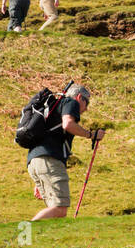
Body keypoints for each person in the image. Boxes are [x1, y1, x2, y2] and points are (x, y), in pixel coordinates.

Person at [26, 83, 105, 220]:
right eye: (87, 103)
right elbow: (68, 124)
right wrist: (91, 135)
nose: (86, 109)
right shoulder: (70, 102)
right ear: (80, 97)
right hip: (50, 159)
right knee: (59, 209)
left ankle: (35, 239)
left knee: (55, 212)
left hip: (35, 161)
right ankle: (23, 237)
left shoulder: (53, 108)